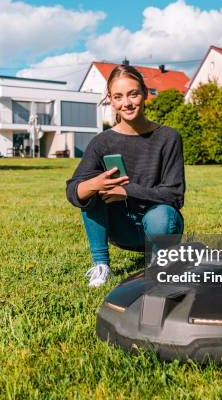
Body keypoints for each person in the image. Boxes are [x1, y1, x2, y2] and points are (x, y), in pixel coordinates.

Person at [66, 64, 186, 287]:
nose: (127, 103)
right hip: (121, 228)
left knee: (162, 215)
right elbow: (74, 191)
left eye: (133, 94)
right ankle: (101, 265)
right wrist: (93, 184)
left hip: (160, 226)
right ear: (110, 100)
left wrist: (126, 191)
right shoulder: (102, 142)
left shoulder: (168, 138)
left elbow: (174, 195)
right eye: (118, 96)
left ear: (145, 93)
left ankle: (159, 264)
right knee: (92, 191)